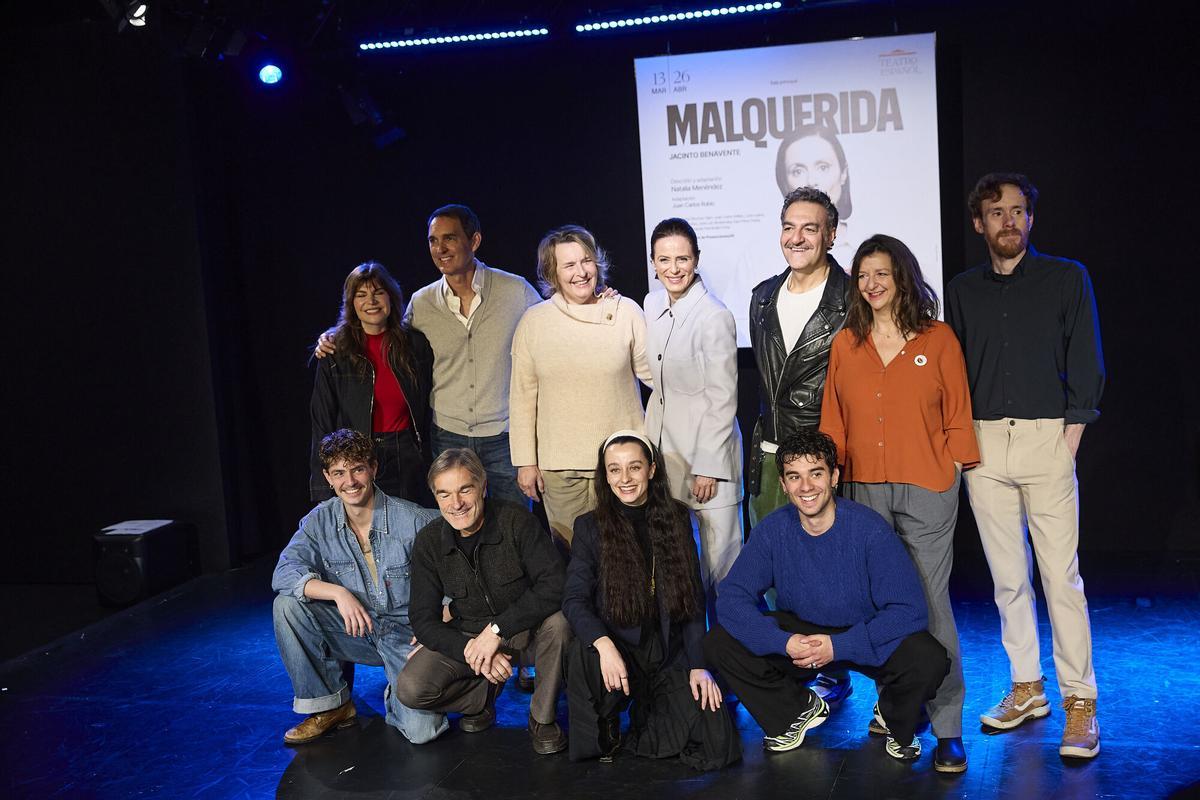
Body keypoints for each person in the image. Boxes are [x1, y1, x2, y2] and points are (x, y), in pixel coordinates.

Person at [946, 173, 1105, 759]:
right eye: (996, 212)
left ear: (1030, 218)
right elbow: (953, 371)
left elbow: (1086, 356)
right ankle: (1027, 687)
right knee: (1008, 579)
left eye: (1017, 211)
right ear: (979, 222)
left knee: (1061, 578)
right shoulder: (963, 290)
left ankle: (1080, 701)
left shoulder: (1066, 278)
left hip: (1046, 438)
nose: (1008, 221)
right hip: (985, 445)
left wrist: (1071, 435)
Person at [819, 234, 979, 773]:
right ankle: (897, 709)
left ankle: (948, 727)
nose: (871, 284)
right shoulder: (847, 344)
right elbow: (833, 421)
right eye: (863, 275)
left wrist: (953, 468)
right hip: (864, 487)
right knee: (881, 606)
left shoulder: (938, 338)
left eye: (881, 274)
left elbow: (958, 413)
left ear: (902, 277)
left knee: (931, 605)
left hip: (928, 486)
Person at [703, 430, 948, 763]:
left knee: (928, 658)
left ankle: (893, 716)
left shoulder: (870, 530)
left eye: (815, 474)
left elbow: (909, 610)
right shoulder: (773, 530)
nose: (806, 487)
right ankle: (795, 711)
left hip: (861, 633)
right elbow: (732, 598)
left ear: (833, 477)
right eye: (795, 477)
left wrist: (840, 645)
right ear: (784, 484)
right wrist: (783, 642)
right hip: (801, 636)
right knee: (720, 641)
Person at [315, 205, 541, 507]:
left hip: (504, 436)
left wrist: (593, 299)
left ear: (474, 241)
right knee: (455, 522)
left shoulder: (516, 291)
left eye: (450, 238)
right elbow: (382, 328)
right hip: (447, 436)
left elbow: (550, 329)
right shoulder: (422, 303)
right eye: (433, 240)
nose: (440, 248)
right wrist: (334, 336)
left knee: (514, 522)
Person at [562, 431, 742, 769]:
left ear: (652, 469)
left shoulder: (677, 518)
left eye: (634, 467)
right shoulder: (590, 526)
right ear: (605, 476)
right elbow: (574, 600)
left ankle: (652, 711)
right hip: (617, 648)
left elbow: (692, 600)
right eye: (614, 469)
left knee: (718, 740)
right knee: (582, 653)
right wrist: (603, 645)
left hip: (665, 651)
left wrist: (698, 665)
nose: (625, 478)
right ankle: (606, 719)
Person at [272, 429, 447, 745]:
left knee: (423, 733)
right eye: (339, 473)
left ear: (373, 468)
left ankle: (399, 689)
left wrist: (439, 624)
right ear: (328, 477)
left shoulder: (414, 520)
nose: (350, 481)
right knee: (288, 606)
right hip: (356, 630)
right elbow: (284, 573)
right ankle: (332, 707)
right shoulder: (318, 522)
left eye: (357, 469)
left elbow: (454, 573)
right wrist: (338, 593)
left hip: (406, 637)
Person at [747, 186, 853, 705]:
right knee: (774, 570)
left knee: (830, 571)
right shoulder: (763, 296)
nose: (797, 237)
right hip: (770, 452)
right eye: (789, 227)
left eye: (810, 228)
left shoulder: (851, 298)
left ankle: (835, 664)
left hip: (823, 453)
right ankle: (791, 664)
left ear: (830, 235)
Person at [395, 448, 571, 754]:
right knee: (411, 688)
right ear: (435, 497)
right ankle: (483, 697)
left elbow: (555, 584)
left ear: (483, 486)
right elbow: (423, 620)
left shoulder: (516, 520)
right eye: (445, 494)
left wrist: (496, 631)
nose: (456, 503)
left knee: (560, 623)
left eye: (465, 489)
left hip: (527, 631)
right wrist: (471, 650)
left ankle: (542, 718)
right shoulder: (428, 542)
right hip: (471, 636)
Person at [510, 224, 652, 547]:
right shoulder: (534, 322)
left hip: (621, 465)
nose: (581, 272)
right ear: (553, 273)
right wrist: (525, 462)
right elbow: (522, 398)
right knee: (573, 558)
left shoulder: (625, 311)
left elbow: (655, 377)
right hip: (560, 470)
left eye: (587, 261)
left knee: (625, 553)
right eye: (569, 265)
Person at [643, 218, 743, 608]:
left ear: (696, 259)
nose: (673, 268)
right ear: (653, 262)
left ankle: (734, 645)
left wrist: (708, 467)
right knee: (680, 571)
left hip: (708, 462)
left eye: (682, 258)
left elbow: (723, 398)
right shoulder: (652, 304)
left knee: (723, 571)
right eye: (664, 259)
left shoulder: (714, 316)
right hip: (667, 457)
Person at [310, 262, 434, 505]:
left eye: (378, 292)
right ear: (351, 303)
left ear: (391, 297)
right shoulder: (335, 351)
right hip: (357, 458)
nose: (371, 301)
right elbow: (321, 421)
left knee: (410, 524)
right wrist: (322, 490)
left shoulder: (415, 345)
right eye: (361, 295)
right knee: (366, 524)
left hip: (407, 455)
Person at [774, 124, 855, 260]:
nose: (811, 181)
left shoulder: (870, 249)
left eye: (823, 168)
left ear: (843, 173)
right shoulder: (755, 258)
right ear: (784, 182)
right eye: (798, 171)